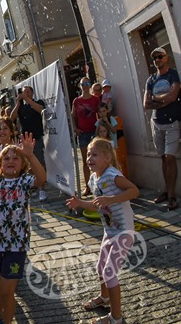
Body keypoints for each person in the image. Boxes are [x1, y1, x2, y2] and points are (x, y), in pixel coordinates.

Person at [0, 131, 46, 324]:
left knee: (6, 290)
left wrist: (30, 154)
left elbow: (42, 178)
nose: (11, 161)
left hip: (16, 246)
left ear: (23, 164)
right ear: (0, 164)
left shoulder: (25, 181)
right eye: (6, 158)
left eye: (16, 158)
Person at [65, 137, 139, 324]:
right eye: (88, 154)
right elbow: (96, 205)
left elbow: (134, 191)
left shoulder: (112, 175)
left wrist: (111, 199)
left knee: (109, 272)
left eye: (94, 154)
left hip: (123, 232)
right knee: (101, 267)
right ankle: (105, 297)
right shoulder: (93, 179)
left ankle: (116, 317)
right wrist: (80, 203)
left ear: (107, 158)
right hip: (110, 231)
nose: (89, 157)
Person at [143, 47, 180, 209]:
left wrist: (156, 98)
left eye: (160, 56)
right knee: (163, 158)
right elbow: (146, 104)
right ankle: (166, 191)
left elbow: (174, 96)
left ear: (166, 58)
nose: (157, 60)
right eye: (154, 58)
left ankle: (172, 195)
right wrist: (164, 100)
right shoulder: (151, 80)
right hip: (157, 122)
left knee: (170, 157)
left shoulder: (173, 75)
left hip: (173, 122)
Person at [10, 85, 47, 200]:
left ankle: (42, 188)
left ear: (32, 93)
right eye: (23, 92)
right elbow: (11, 117)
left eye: (27, 92)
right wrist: (18, 103)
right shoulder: (21, 107)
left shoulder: (37, 102)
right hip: (25, 139)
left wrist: (27, 99)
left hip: (36, 137)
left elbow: (41, 109)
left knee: (39, 162)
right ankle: (33, 187)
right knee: (28, 165)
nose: (25, 94)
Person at [73, 77, 101, 194]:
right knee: (85, 160)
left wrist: (99, 129)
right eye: (83, 83)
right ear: (80, 86)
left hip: (94, 132)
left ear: (90, 85)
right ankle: (88, 187)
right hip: (82, 133)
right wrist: (75, 128)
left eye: (87, 83)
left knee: (98, 159)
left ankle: (99, 185)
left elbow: (100, 115)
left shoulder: (95, 100)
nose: (85, 85)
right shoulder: (77, 101)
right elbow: (73, 116)